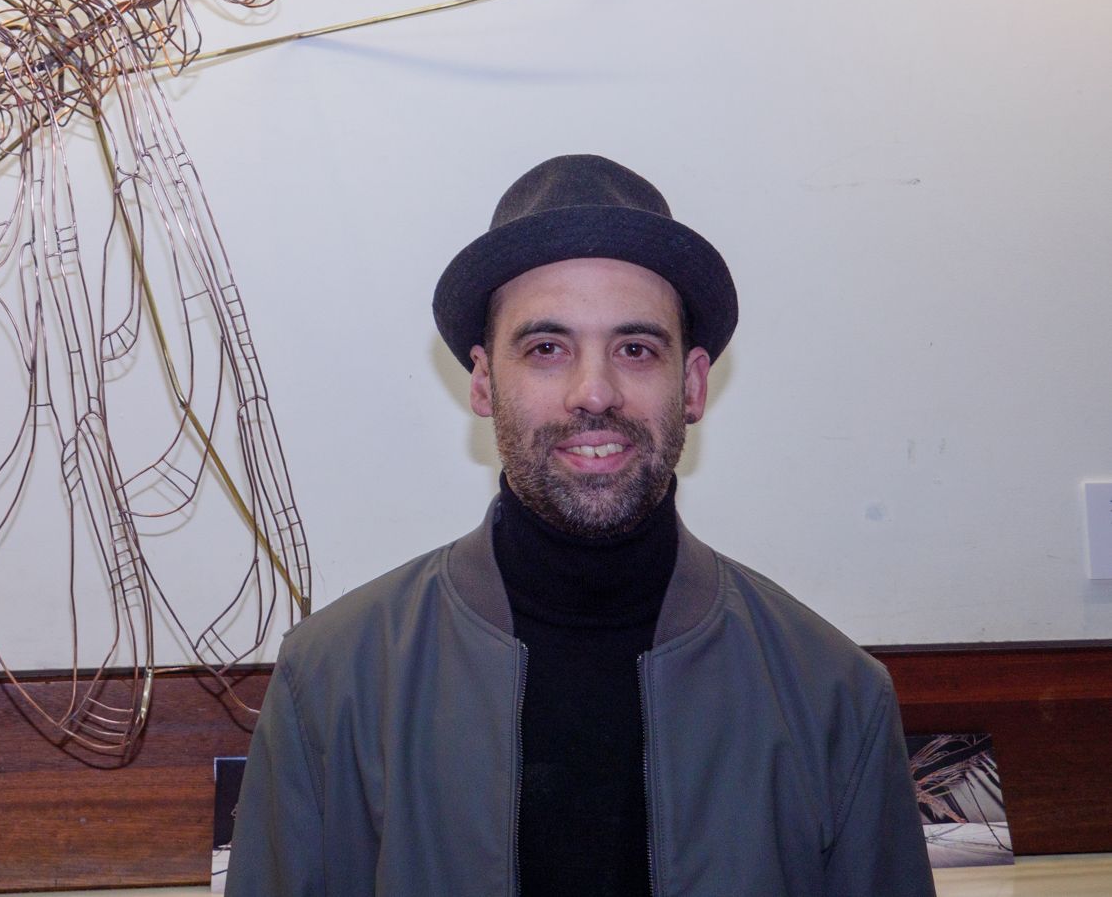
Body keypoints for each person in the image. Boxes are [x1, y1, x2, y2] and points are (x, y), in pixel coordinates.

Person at [227, 155, 934, 897]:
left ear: (691, 384)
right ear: (481, 380)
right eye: (545, 348)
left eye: (634, 348)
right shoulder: (332, 683)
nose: (592, 391)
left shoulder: (834, 696)